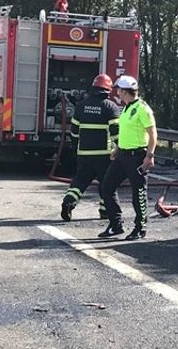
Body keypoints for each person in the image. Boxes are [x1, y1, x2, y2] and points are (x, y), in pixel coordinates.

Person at [98, 75, 157, 240]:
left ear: (124, 91)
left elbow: (153, 134)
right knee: (107, 187)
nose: (117, 92)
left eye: (119, 89)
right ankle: (116, 225)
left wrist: (149, 156)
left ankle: (140, 227)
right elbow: (125, 132)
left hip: (137, 156)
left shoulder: (142, 108)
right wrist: (117, 149)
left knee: (138, 193)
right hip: (122, 155)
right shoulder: (125, 108)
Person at [60, 74, 121, 222]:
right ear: (108, 90)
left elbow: (74, 131)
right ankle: (105, 211)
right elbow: (115, 133)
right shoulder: (111, 107)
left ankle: (68, 202)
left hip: (84, 153)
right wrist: (119, 149)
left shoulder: (81, 106)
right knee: (107, 184)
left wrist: (75, 147)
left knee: (80, 181)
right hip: (104, 155)